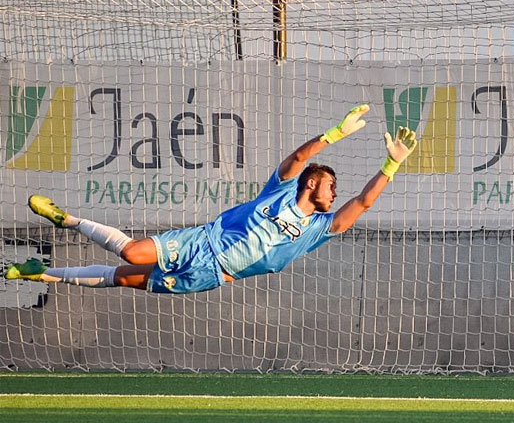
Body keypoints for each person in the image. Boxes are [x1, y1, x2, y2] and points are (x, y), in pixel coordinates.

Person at [4, 104, 418, 294]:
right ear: (311, 184)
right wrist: (335, 134)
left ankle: (41, 273)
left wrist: (392, 164)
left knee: (124, 279)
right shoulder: (282, 189)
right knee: (132, 251)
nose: (335, 192)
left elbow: (361, 204)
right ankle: (68, 219)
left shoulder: (316, 228)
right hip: (201, 240)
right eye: (330, 184)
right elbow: (298, 158)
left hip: (212, 275)